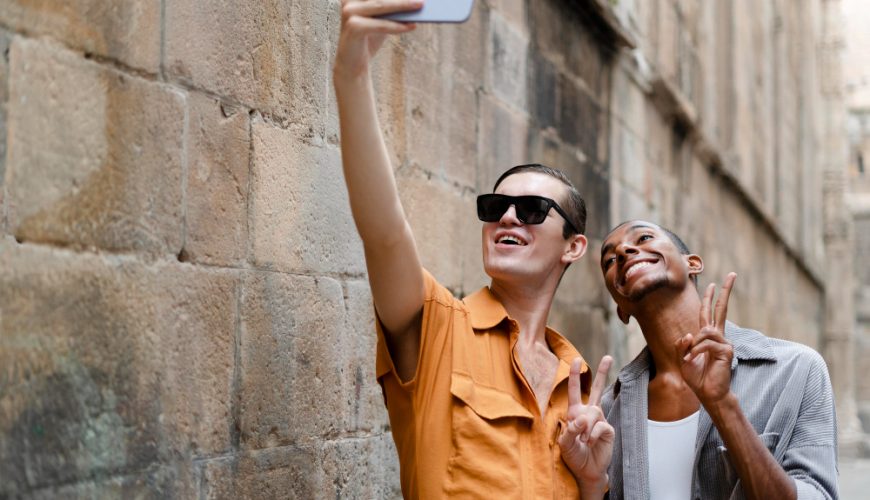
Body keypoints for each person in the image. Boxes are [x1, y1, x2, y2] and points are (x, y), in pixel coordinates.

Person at [333, 0, 612, 497]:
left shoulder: (581, 382)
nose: (506, 216)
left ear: (573, 247)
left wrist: (592, 481)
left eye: (530, 210)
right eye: (495, 206)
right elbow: (384, 231)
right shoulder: (437, 327)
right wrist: (351, 75)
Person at [597, 220, 839, 499]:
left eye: (644, 238)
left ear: (693, 264)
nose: (625, 251)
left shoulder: (798, 370)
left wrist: (721, 404)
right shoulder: (609, 410)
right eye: (610, 260)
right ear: (621, 309)